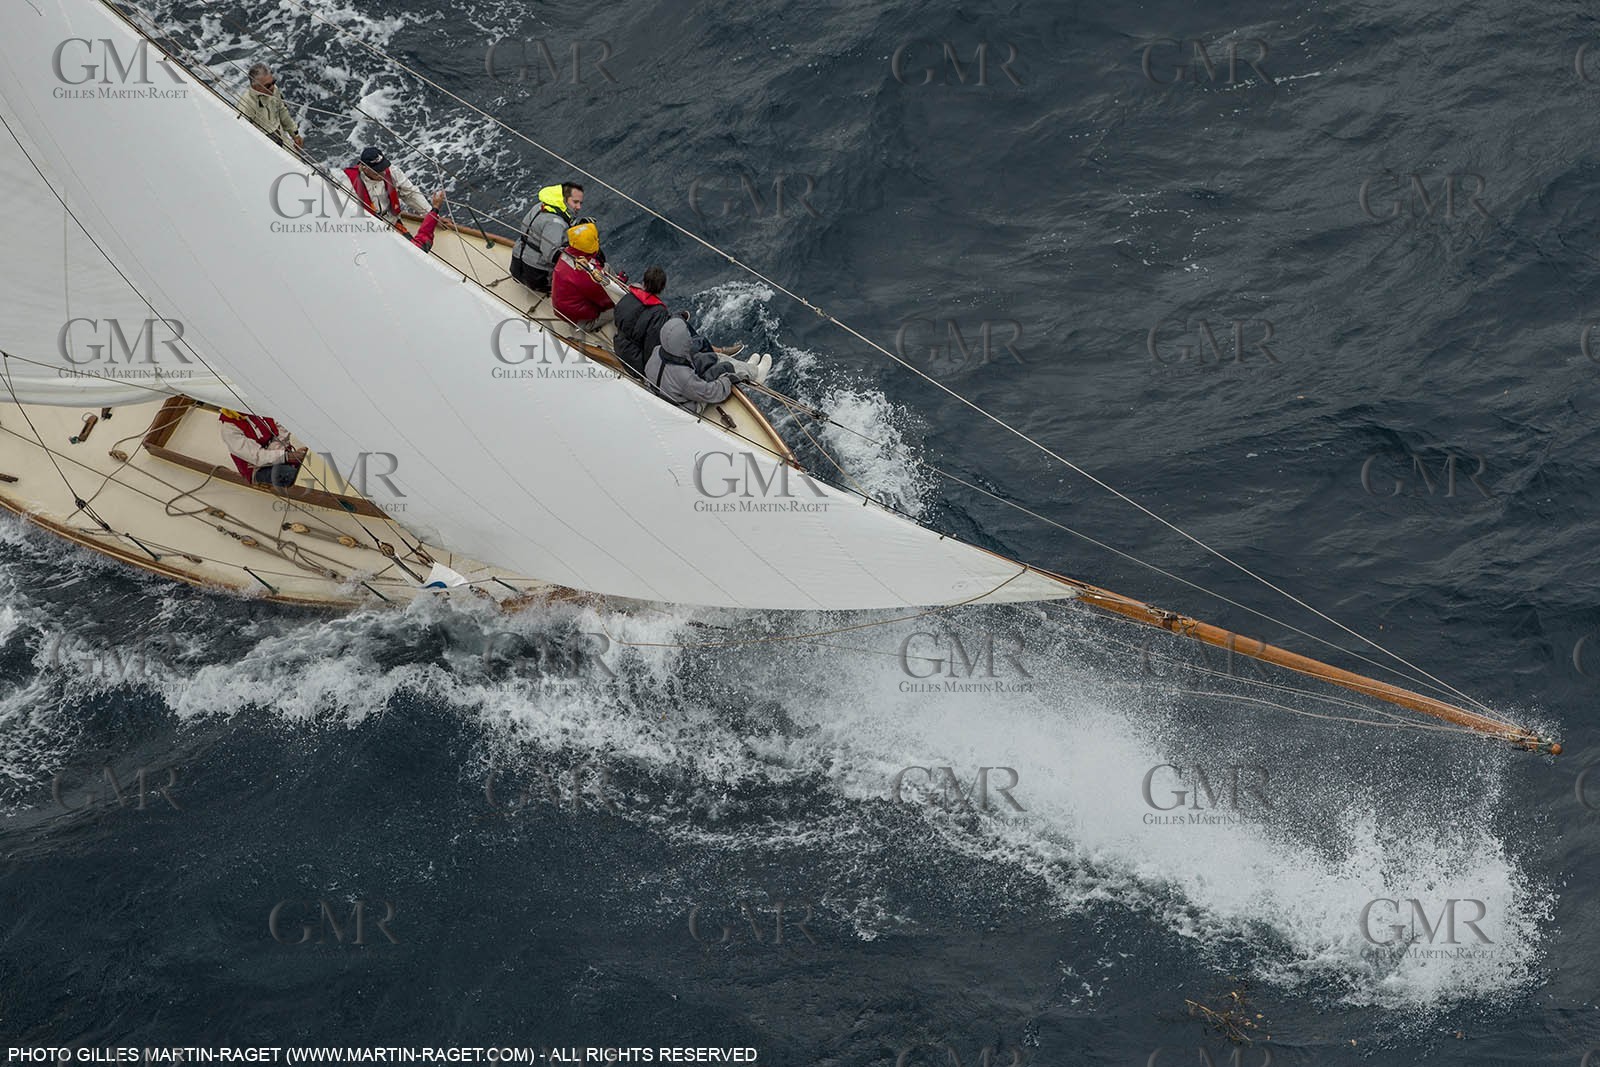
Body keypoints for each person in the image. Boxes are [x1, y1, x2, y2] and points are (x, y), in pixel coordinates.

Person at [613, 265, 742, 378]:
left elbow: (620, 320)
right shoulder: (658, 312)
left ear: (644, 282)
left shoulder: (628, 297)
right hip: (637, 363)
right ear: (662, 287)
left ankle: (678, 319)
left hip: (619, 346)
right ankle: (715, 353)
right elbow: (652, 349)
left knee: (676, 321)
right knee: (690, 341)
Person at [645, 318, 772, 415]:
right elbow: (710, 393)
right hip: (687, 407)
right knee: (725, 367)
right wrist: (725, 381)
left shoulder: (657, 351)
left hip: (669, 388)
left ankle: (747, 369)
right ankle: (755, 374)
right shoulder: (685, 378)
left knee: (713, 357)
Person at [344, 146, 439, 242]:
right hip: (368, 229)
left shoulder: (393, 172)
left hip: (393, 222)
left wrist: (431, 215)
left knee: (415, 248)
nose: (382, 173)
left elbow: (411, 194)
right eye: (377, 171)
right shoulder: (348, 183)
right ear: (364, 167)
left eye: (383, 168)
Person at [510, 181, 584, 292]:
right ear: (564, 199)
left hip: (517, 265)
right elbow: (552, 254)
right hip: (537, 277)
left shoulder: (540, 206)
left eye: (580, 203)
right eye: (575, 202)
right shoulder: (555, 222)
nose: (578, 207)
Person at [552, 221, 617, 331]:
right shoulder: (586, 277)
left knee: (606, 267)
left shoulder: (567, 253)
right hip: (582, 321)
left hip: (563, 308)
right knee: (619, 307)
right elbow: (608, 301)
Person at [219, 408, 306, 488]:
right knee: (293, 475)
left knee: (308, 464)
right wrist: (286, 456)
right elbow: (257, 457)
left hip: (278, 454)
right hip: (257, 468)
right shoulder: (229, 429)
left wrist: (285, 454)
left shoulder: (256, 409)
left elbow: (281, 429)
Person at [238, 63, 303, 151]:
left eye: (273, 82)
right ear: (255, 86)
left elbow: (283, 112)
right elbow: (243, 135)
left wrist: (295, 134)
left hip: (281, 137)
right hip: (262, 146)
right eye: (268, 85)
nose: (272, 87)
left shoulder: (274, 90)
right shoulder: (246, 104)